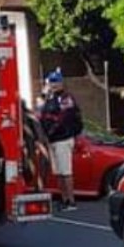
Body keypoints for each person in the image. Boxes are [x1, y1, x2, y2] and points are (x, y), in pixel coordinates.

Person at [38, 69, 82, 211]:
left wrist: (52, 131)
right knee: (58, 172)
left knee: (66, 171)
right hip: (53, 140)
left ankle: (71, 201)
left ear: (62, 83)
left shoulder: (65, 98)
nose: (54, 84)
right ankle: (64, 199)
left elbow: (65, 118)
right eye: (51, 82)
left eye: (56, 81)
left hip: (63, 138)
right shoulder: (50, 99)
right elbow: (41, 114)